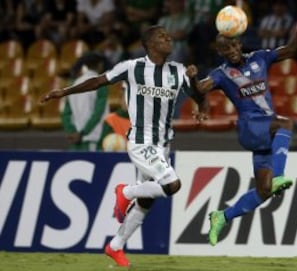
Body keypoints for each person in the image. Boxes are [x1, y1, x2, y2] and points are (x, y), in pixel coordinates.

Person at [40, 25, 206, 267]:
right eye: (162, 36)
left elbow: (199, 96)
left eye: (169, 35)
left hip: (163, 143)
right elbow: (97, 82)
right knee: (172, 184)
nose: (168, 38)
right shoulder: (131, 67)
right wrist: (63, 92)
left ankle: (115, 246)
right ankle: (125, 192)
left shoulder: (178, 71)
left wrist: (194, 80)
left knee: (146, 201)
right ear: (149, 44)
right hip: (141, 140)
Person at [189, 12, 297, 246]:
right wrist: (192, 80)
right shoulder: (221, 74)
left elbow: (291, 50)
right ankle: (280, 176)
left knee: (264, 190)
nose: (230, 51)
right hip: (250, 127)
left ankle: (222, 216)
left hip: (265, 131)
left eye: (232, 45)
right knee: (286, 123)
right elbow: (200, 89)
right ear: (220, 52)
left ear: (239, 43)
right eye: (224, 49)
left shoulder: (261, 58)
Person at [61, 52, 110, 151]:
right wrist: (83, 133)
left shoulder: (73, 84)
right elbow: (98, 113)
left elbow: (65, 113)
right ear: (100, 64)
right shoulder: (100, 84)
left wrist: (72, 132)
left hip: (76, 143)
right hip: (93, 141)